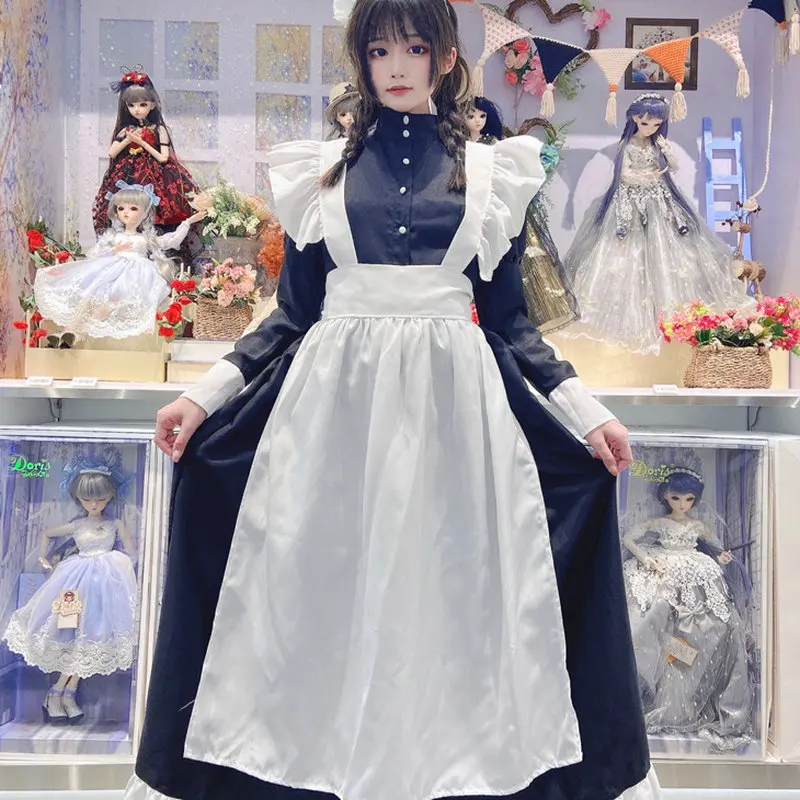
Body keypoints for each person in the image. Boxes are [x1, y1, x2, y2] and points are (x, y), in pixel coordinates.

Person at [126, 1, 657, 798]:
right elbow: (292, 314)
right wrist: (202, 398)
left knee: (445, 592)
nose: (398, 66)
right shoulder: (319, 173)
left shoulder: (494, 175)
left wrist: (589, 413)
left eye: (414, 47)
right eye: (380, 51)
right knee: (326, 587)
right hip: (334, 415)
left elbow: (511, 324)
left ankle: (444, 771)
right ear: (362, 60)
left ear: (445, 57)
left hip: (455, 417)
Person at [562, 93, 746, 354]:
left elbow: (673, 166)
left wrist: (667, 153)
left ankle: (668, 315)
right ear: (635, 119)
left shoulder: (658, 144)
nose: (650, 128)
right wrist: (645, 178)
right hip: (630, 199)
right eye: (645, 122)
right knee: (623, 250)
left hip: (659, 198)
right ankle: (631, 320)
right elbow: (624, 174)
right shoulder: (627, 146)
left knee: (668, 245)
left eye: (657, 124)